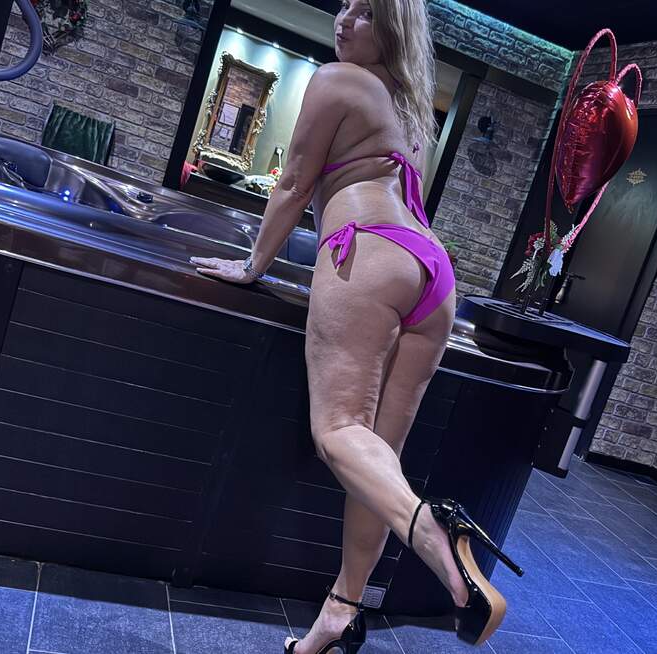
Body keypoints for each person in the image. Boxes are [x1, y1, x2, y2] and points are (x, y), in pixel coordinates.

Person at [189, 0, 522, 651]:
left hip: (368, 251)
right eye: (344, 5)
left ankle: (434, 532)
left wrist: (254, 266)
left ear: (393, 27)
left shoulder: (338, 80)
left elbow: (293, 184)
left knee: (338, 430)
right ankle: (340, 611)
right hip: (431, 274)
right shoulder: (412, 108)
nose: (344, 19)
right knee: (378, 462)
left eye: (366, 12)